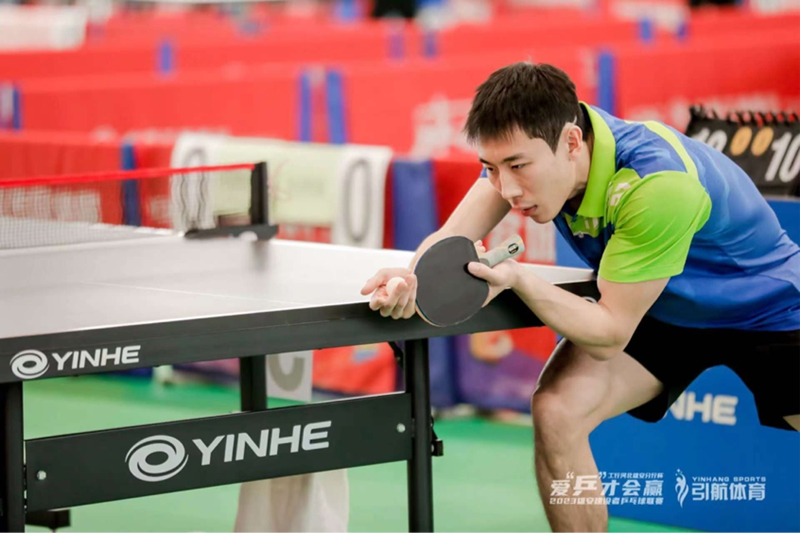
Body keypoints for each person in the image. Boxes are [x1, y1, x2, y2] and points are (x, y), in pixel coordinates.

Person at [360, 61, 800, 532]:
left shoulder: (655, 184)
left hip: (768, 307)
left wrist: (521, 279)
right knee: (557, 411)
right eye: (490, 168)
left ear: (572, 142)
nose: (507, 189)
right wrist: (412, 279)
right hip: (659, 304)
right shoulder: (534, 145)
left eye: (517, 167)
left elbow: (609, 334)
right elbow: (452, 239)